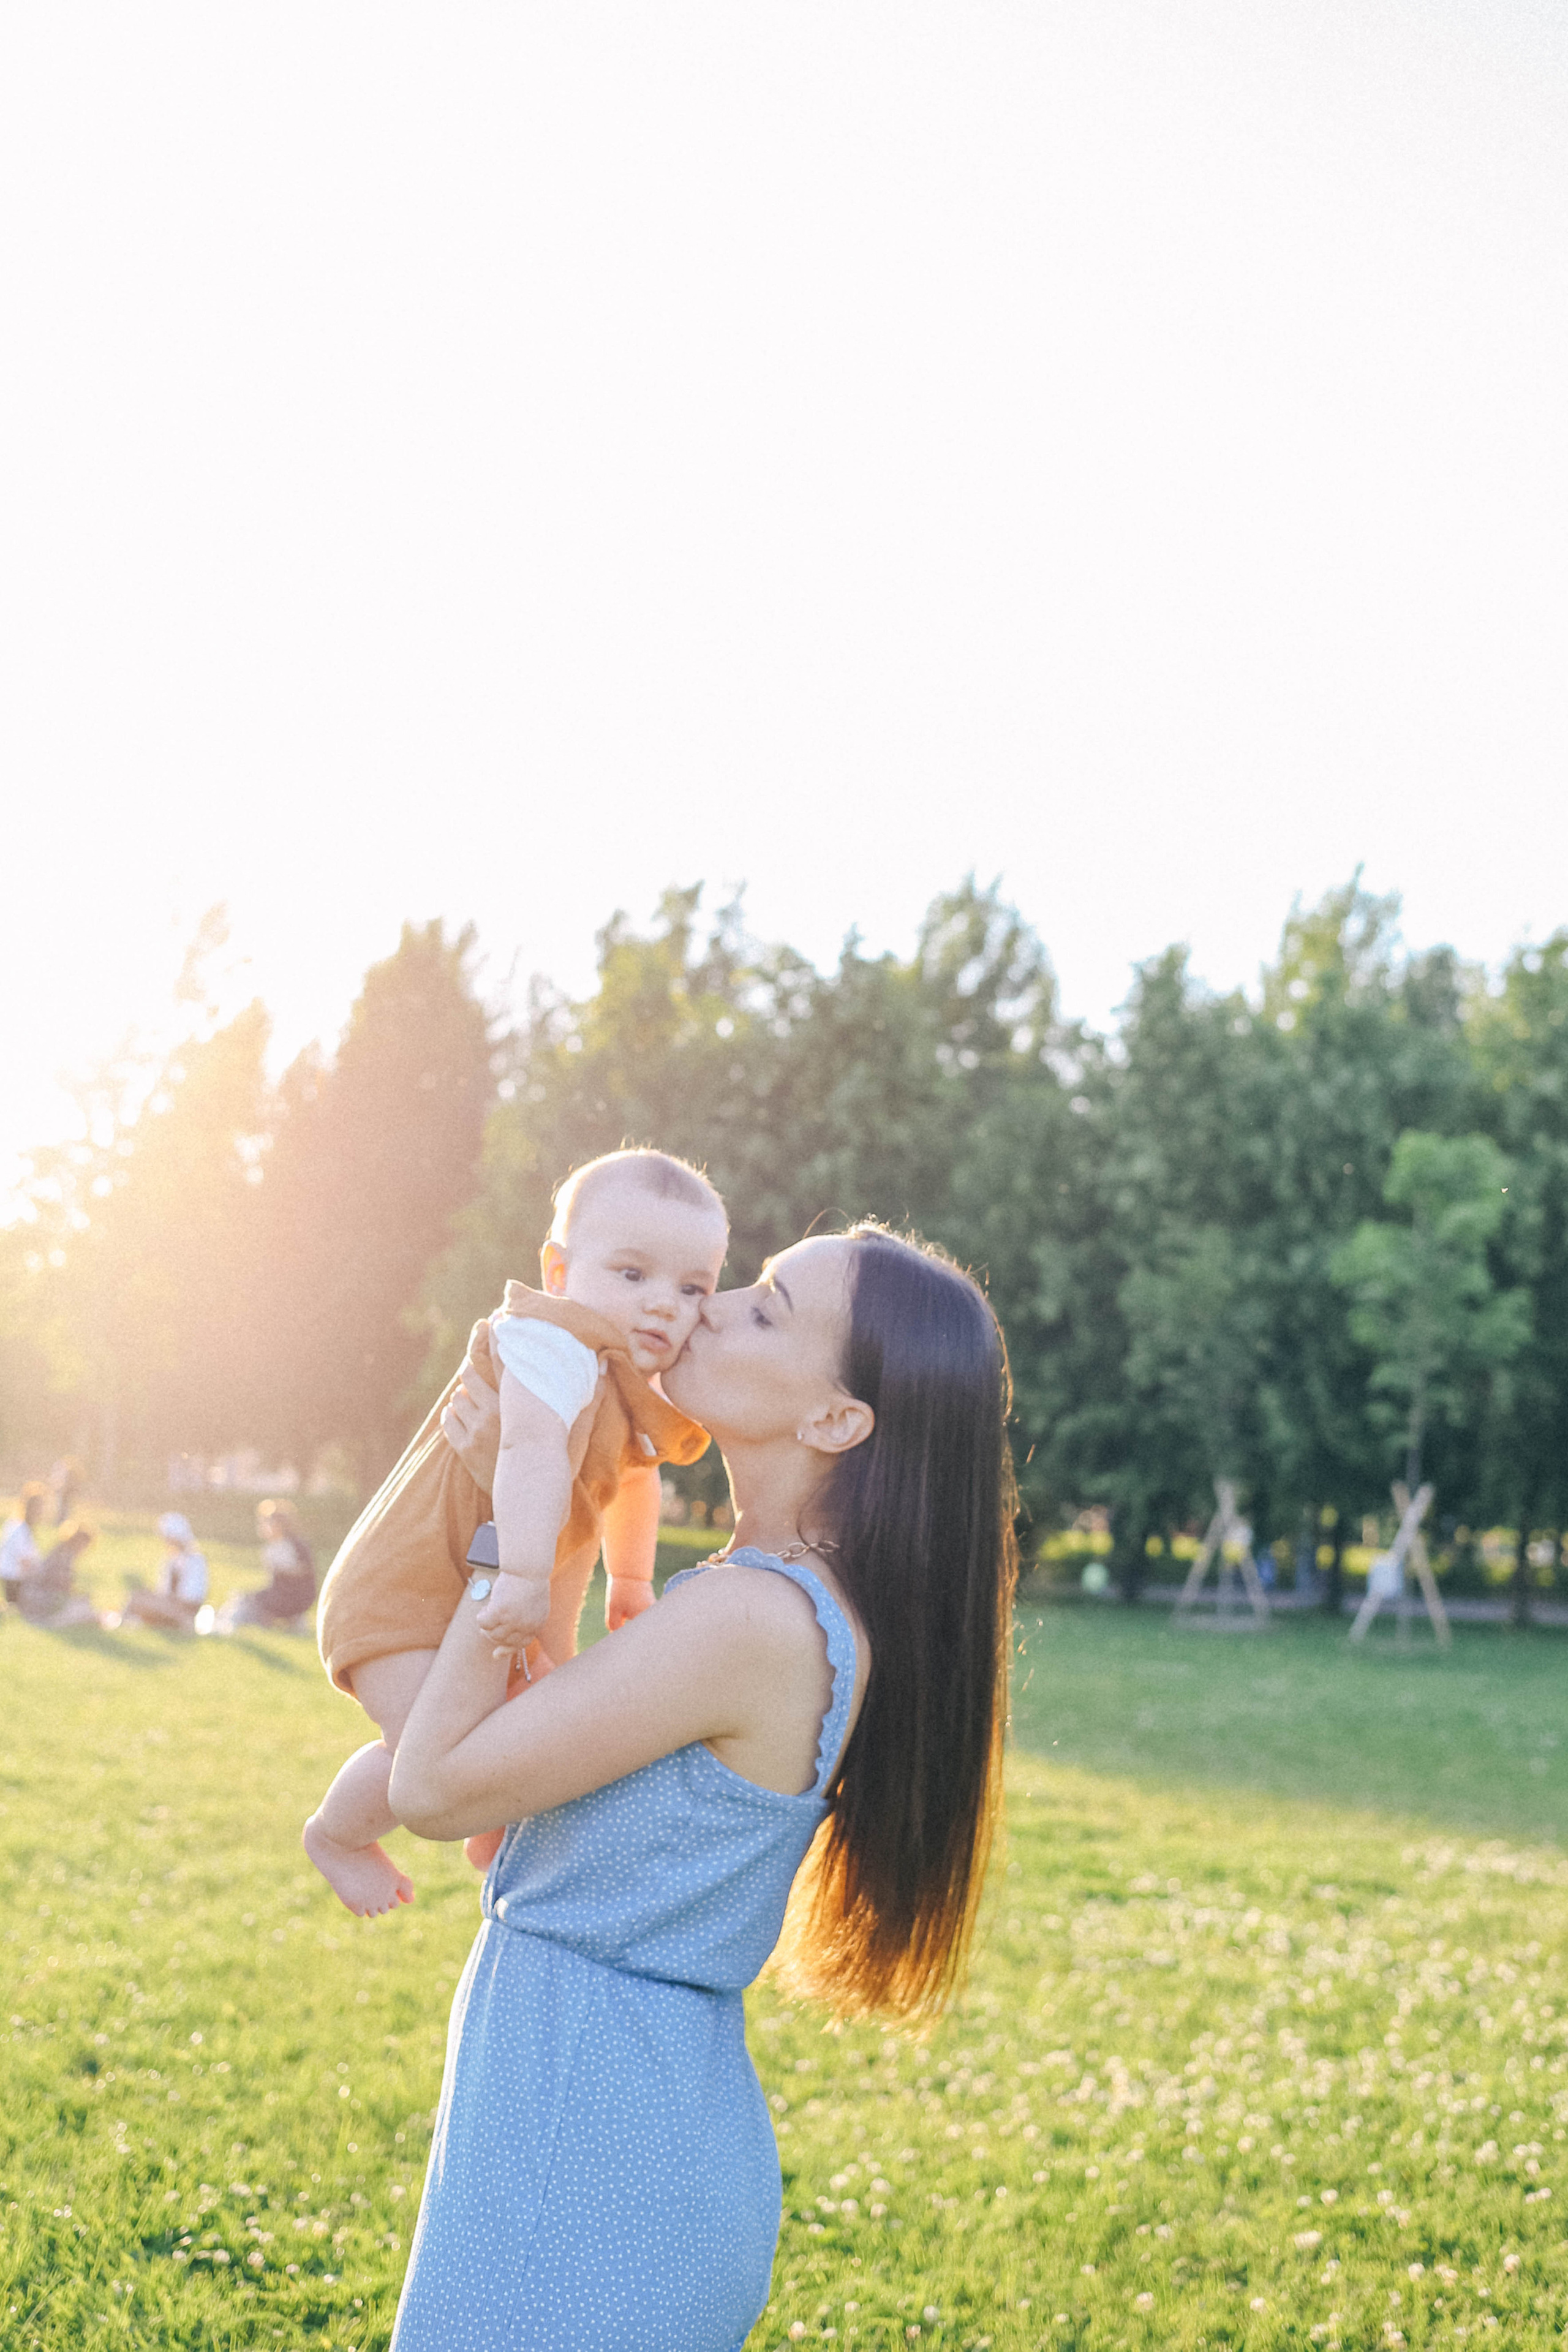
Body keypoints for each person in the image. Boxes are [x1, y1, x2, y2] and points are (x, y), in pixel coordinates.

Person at [384, 1224, 1016, 2352]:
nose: (708, 1306)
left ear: (836, 1421)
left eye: (766, 1308)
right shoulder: (776, 1600)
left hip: (591, 2151)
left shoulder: (749, 1620)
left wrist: (502, 1536)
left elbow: (432, 1788)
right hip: (616, 2123)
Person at [304, 1150, 725, 1920]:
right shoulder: (551, 1342)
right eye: (633, 1274)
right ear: (559, 1271)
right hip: (404, 1589)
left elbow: (636, 1477)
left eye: (692, 1288)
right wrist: (527, 1577)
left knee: (523, 1730)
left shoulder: (628, 1380)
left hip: (485, 1587)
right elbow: (529, 1449)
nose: (664, 1304)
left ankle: (491, 1825)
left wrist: (631, 1578)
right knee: (426, 1749)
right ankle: (336, 1835)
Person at [212, 1498, 318, 1632]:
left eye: (266, 1523)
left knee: (249, 1599)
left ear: (279, 1525)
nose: (262, 1527)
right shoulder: (271, 1548)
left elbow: (304, 1571)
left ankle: (227, 1625)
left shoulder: (295, 1545)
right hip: (281, 1594)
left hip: (297, 1597)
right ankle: (223, 1621)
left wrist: (283, 1570)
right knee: (244, 1596)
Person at [111, 1512, 210, 1632]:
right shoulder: (171, 1560)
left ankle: (122, 1623)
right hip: (170, 1606)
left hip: (183, 1610)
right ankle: (127, 1621)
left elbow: (190, 1599)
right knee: (139, 1596)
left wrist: (162, 1601)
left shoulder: (195, 1561)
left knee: (137, 1599)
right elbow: (164, 1591)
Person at [17, 1521, 99, 1629]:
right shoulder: (64, 1556)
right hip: (40, 1598)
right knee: (83, 1605)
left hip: (33, 1597)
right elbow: (60, 1585)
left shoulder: (61, 1551)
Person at [1, 1483, 48, 1607]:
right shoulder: (19, 1529)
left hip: (17, 1577)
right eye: (40, 1509)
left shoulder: (21, 1526)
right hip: (14, 1579)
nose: (42, 1513)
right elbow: (24, 1562)